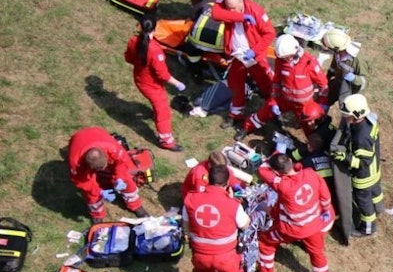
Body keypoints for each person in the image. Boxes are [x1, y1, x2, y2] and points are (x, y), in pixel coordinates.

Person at [256, 153, 334, 272]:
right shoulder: (310, 174)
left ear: (277, 172)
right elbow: (325, 195)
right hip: (314, 225)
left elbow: (262, 170)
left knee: (265, 241)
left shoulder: (282, 185)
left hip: (291, 229)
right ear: (291, 161)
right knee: (317, 253)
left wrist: (270, 158)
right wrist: (326, 209)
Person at [183, 165, 251, 272]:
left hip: (200, 254)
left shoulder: (191, 199)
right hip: (226, 256)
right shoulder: (232, 204)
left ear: (208, 180)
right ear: (227, 183)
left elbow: (186, 226)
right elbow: (245, 224)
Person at [235, 34, 328, 141]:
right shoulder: (280, 61)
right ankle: (246, 127)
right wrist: (274, 101)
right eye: (283, 58)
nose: (287, 60)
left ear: (296, 51)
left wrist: (322, 104)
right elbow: (276, 82)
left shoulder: (309, 63)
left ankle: (314, 146)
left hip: (304, 105)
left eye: (288, 57)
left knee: (309, 128)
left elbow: (323, 85)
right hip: (284, 98)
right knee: (264, 113)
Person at [210, 0, 275, 129]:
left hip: (254, 55)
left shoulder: (256, 11)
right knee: (235, 84)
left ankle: (273, 109)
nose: (230, 11)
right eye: (228, 8)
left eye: (233, 8)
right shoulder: (226, 2)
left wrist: (254, 51)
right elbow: (215, 13)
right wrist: (240, 17)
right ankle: (236, 115)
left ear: (241, 2)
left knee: (266, 83)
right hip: (237, 55)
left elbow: (270, 34)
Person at [124, 14, 186, 151]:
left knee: (158, 106)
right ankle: (166, 141)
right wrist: (177, 83)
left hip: (140, 79)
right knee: (163, 111)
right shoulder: (155, 50)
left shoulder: (133, 41)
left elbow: (128, 58)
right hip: (152, 86)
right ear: (155, 29)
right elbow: (162, 74)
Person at [66, 127, 149, 223]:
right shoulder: (76, 163)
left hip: (97, 133)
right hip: (78, 140)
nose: (102, 170)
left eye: (104, 167)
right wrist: (99, 191)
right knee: (90, 194)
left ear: (106, 155)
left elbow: (122, 163)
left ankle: (136, 205)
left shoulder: (113, 148)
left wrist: (120, 178)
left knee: (127, 180)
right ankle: (97, 215)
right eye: (98, 170)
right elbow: (82, 182)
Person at [330, 94, 382, 237]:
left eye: (346, 116)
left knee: (363, 201)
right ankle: (378, 207)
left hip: (364, 177)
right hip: (375, 169)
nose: (345, 118)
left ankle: (368, 229)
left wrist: (344, 157)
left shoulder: (361, 137)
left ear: (356, 114)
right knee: (375, 191)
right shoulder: (370, 119)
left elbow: (362, 163)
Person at [180, 150, 254, 200]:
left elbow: (229, 176)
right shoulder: (199, 176)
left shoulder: (219, 167)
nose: (223, 170)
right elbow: (202, 197)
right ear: (209, 165)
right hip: (194, 197)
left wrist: (238, 185)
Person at [321, 28, 366, 110]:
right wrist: (327, 80)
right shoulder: (338, 53)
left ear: (336, 48)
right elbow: (333, 67)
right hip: (338, 81)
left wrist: (354, 78)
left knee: (346, 108)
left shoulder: (357, 60)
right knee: (329, 97)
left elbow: (364, 81)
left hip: (351, 89)